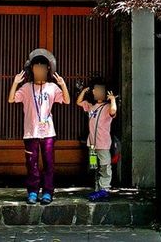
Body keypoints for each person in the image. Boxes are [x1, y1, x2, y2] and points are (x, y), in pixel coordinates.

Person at [8, 48, 69, 205]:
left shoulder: (52, 87)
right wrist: (15, 82)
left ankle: (48, 192)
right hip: (30, 132)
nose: (40, 70)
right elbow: (11, 99)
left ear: (47, 69)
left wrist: (63, 85)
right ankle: (33, 192)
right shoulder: (27, 87)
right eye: (37, 67)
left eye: (43, 67)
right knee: (32, 164)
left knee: (49, 163)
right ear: (32, 69)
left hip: (48, 132)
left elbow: (67, 101)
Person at [76, 77, 117, 200]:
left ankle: (105, 189)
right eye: (95, 90)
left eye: (100, 90)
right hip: (92, 143)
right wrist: (84, 91)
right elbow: (79, 102)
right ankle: (97, 189)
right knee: (94, 166)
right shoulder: (91, 106)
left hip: (103, 143)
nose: (97, 92)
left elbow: (113, 111)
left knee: (105, 165)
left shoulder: (107, 107)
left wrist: (113, 99)